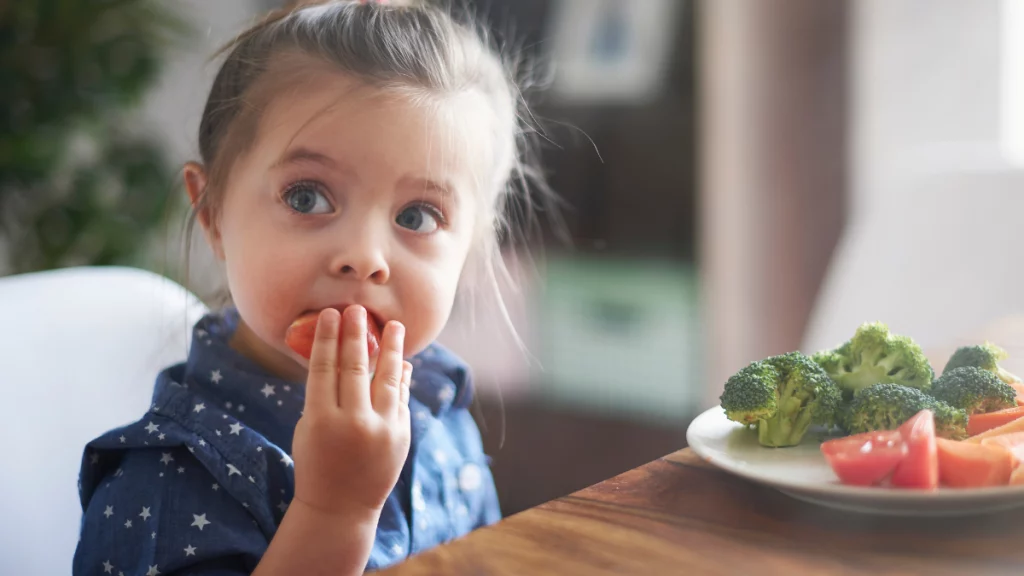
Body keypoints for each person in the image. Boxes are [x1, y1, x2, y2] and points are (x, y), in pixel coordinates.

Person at [73, 1, 553, 573]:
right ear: (214, 214)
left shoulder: (439, 407)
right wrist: (335, 512)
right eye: (307, 198)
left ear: (471, 251)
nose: (364, 257)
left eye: (418, 216)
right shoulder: (162, 486)